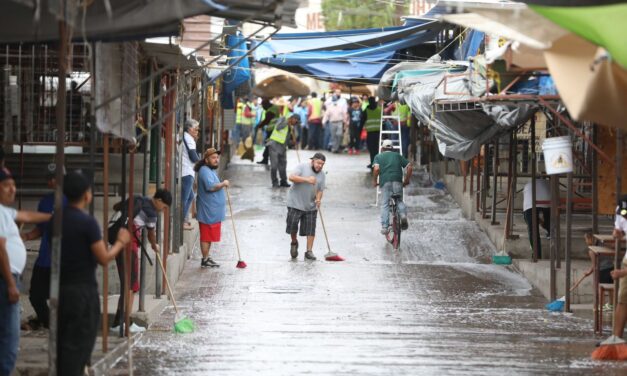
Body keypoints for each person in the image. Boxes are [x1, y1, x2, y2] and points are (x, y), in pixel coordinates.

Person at [55, 170, 130, 375]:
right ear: (87, 195)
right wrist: (120, 243)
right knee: (80, 343)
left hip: (61, 288)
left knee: (64, 342)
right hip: (82, 291)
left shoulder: (57, 218)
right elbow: (103, 258)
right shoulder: (87, 223)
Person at [0, 167, 51, 376]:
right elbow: (0, 249)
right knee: (10, 336)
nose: (12, 190)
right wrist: (11, 285)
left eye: (13, 185)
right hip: (5, 279)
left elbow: (27, 215)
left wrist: (54, 215)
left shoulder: (6, 212)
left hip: (9, 279)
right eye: (6, 186)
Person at [111, 188, 171, 333]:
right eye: (163, 207)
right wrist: (154, 244)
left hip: (117, 244)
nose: (162, 211)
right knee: (131, 287)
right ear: (159, 201)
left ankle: (117, 323)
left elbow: (115, 207)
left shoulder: (138, 199)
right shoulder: (151, 212)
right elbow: (151, 233)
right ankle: (126, 324)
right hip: (128, 247)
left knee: (127, 285)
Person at [20, 164, 67, 329]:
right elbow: (41, 228)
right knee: (36, 296)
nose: (52, 181)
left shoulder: (71, 201)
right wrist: (26, 236)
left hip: (63, 260)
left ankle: (59, 325)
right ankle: (50, 323)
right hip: (44, 259)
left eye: (54, 178)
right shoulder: (45, 202)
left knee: (62, 296)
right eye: (49, 178)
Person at [286, 152, 327, 261]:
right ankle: (294, 242)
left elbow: (320, 190)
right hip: (295, 203)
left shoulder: (322, 175)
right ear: (312, 161)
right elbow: (291, 177)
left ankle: (309, 251)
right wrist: (307, 180)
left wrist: (318, 199)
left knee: (310, 229)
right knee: (292, 227)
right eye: (318, 163)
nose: (320, 166)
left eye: (322, 164)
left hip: (310, 206)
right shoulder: (302, 167)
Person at [195, 148, 229, 268]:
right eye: (213, 158)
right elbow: (211, 187)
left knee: (209, 236)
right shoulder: (204, 170)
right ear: (206, 160)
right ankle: (205, 259)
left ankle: (207, 257)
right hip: (207, 211)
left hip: (213, 211)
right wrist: (223, 184)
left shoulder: (210, 170)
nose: (216, 160)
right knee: (205, 236)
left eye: (217, 158)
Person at [373, 140, 412, 235]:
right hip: (398, 181)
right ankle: (403, 215)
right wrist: (406, 180)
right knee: (399, 200)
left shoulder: (378, 157)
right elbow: (410, 167)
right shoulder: (397, 156)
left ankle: (385, 227)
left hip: (385, 182)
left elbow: (376, 169)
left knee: (385, 204)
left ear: (382, 148)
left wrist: (375, 180)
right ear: (392, 148)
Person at [609, 195, 627, 340]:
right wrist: (617, 233)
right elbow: (618, 230)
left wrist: (622, 273)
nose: (625, 218)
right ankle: (616, 339)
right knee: (622, 301)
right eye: (623, 214)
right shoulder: (620, 212)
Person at [267, 115, 299, 188]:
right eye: (296, 121)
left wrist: (292, 142)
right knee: (274, 166)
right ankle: (275, 182)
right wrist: (286, 122)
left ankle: (283, 181)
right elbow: (278, 127)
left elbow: (286, 140)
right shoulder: (283, 119)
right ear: (292, 118)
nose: (296, 123)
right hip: (274, 145)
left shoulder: (291, 127)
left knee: (283, 166)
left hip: (283, 147)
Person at [522, 179, 551, 259]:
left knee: (533, 229)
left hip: (530, 204)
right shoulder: (547, 182)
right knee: (548, 215)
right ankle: (550, 231)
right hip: (548, 199)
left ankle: (537, 255)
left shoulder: (527, 185)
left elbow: (527, 216)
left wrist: (534, 221)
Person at [181, 119, 200, 231]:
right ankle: (181, 221)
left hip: (186, 170)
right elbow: (193, 156)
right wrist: (201, 162)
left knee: (190, 196)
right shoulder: (188, 139)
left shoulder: (187, 137)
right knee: (185, 198)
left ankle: (184, 218)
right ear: (189, 129)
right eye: (195, 128)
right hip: (186, 171)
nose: (197, 131)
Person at [256, 99, 280, 165]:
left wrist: (259, 125)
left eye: (263, 106)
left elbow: (267, 120)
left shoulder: (270, 111)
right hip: (275, 130)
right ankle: (267, 159)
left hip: (272, 130)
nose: (263, 108)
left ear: (266, 105)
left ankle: (266, 159)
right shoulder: (275, 107)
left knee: (269, 145)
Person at [363, 97, 382, 169]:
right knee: (377, 149)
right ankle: (376, 163)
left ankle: (372, 163)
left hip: (370, 133)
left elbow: (362, 121)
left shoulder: (366, 110)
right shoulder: (379, 110)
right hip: (378, 133)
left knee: (371, 149)